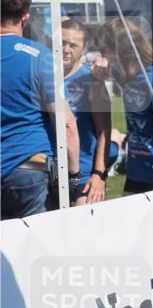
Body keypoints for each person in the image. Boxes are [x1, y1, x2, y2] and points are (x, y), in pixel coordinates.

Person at [1, 0, 80, 219]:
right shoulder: (39, 57)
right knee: (40, 250)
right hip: (31, 168)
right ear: (25, 17)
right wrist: (75, 174)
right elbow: (65, 124)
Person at [93, 18, 153, 194]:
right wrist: (98, 78)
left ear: (122, 48)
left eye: (104, 49)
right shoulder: (125, 75)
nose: (102, 55)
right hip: (136, 168)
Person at [62, 19, 111, 205]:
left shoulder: (92, 82)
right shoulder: (44, 77)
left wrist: (99, 175)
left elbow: (104, 133)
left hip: (83, 174)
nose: (66, 49)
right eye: (62, 43)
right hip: (49, 173)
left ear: (83, 48)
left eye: (73, 45)